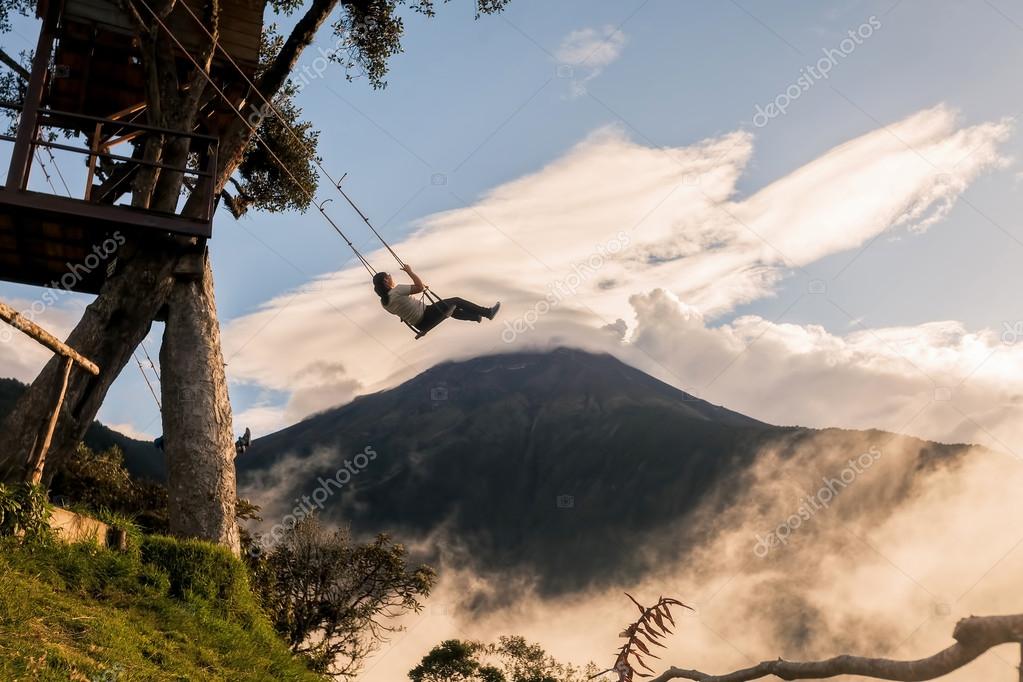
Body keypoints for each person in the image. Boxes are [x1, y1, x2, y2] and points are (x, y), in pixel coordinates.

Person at [372, 264, 499, 330]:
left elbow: (402, 308)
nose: (391, 277)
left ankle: (475, 316)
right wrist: (409, 271)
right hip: (427, 315)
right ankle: (487, 313)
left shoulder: (384, 303)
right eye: (389, 276)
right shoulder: (397, 290)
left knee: (449, 309)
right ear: (385, 281)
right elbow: (419, 287)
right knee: (456, 300)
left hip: (420, 325)